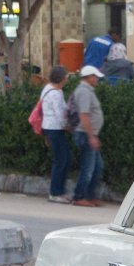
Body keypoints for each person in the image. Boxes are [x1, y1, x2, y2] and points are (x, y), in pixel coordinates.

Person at [70, 65, 105, 208]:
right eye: (95, 77)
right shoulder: (84, 92)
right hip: (85, 134)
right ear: (89, 77)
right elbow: (84, 116)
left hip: (89, 134)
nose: (97, 79)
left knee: (97, 167)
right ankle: (79, 197)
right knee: (88, 168)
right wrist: (91, 137)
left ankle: (90, 196)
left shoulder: (87, 91)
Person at [40, 66, 73, 204]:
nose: (67, 79)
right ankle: (55, 192)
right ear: (61, 78)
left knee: (63, 159)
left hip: (49, 127)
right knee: (61, 160)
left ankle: (59, 191)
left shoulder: (48, 89)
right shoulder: (56, 94)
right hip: (55, 128)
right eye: (66, 77)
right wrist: (68, 127)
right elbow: (60, 114)